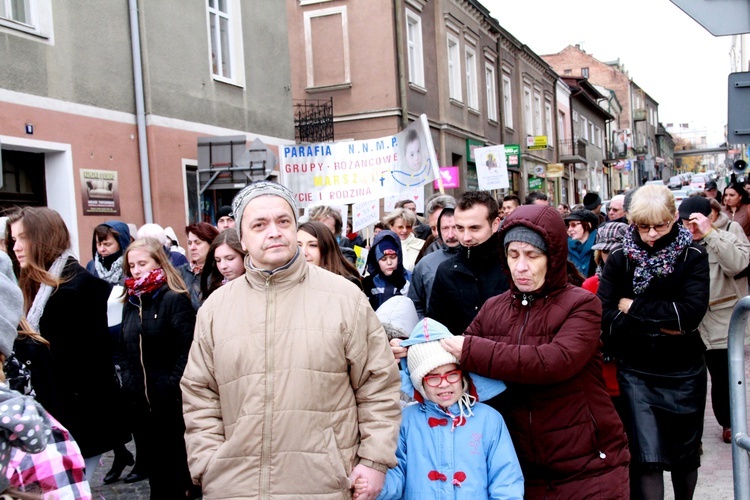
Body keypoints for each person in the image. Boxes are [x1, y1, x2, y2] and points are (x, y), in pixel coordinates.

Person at [180, 181, 401, 499]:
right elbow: (199, 394)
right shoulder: (216, 308)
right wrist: (209, 464)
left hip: (323, 485)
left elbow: (378, 385)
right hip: (236, 487)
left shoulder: (344, 298)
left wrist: (374, 462)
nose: (274, 231)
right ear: (241, 238)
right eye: (259, 224)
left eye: (283, 221)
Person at [440, 204, 630, 499]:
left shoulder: (582, 304)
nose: (521, 266)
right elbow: (458, 354)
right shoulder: (494, 308)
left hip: (588, 464)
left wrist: (471, 350)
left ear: (552, 258)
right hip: (521, 467)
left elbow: (553, 362)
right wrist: (416, 348)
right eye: (513, 255)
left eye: (532, 255)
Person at [598, 184, 709, 500]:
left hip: (685, 369)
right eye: (642, 226)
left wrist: (632, 306)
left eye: (659, 225)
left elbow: (689, 315)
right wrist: (661, 322)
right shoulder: (621, 256)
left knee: (685, 456)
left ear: (675, 217)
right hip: (637, 369)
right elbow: (605, 313)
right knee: (647, 458)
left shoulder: (693, 255)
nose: (650, 235)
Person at [6, 206, 122, 482]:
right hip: (51, 416)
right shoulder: (33, 283)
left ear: (44, 239)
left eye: (23, 239)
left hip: (79, 419)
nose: (17, 248)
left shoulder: (78, 288)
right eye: (13, 241)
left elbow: (82, 366)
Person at [373, 318, 524, 500]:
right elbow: (395, 477)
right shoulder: (406, 420)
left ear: (462, 376)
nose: (444, 384)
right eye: (433, 378)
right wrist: (373, 488)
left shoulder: (489, 419)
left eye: (451, 375)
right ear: (420, 383)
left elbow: (506, 480)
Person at [120, 238, 197, 499]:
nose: (137, 270)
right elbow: (126, 346)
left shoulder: (174, 298)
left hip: (171, 400)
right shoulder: (131, 301)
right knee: (155, 472)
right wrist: (129, 382)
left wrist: (171, 384)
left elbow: (187, 349)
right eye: (132, 265)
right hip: (142, 401)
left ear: (158, 262)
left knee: (175, 470)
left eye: (143, 263)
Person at [680, 196, 750, 445]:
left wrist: (710, 234)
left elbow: (738, 264)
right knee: (691, 381)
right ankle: (691, 435)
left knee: (723, 378)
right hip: (692, 322)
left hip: (722, 319)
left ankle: (729, 423)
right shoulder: (681, 237)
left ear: (708, 216)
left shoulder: (730, 230)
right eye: (685, 224)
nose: (691, 229)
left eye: (694, 223)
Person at [426, 190, 509, 335]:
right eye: (460, 228)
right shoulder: (446, 271)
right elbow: (434, 328)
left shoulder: (512, 267)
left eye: (474, 228)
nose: (466, 237)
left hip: (505, 355)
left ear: (495, 224)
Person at [407, 205, 459, 318]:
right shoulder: (425, 264)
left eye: (455, 227)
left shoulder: (476, 259)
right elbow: (415, 304)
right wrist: (426, 328)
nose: (450, 235)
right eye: (445, 228)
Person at [298, 221, 362, 288]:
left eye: (313, 245)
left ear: (327, 247)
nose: (303, 252)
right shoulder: (290, 280)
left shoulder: (347, 284)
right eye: (298, 245)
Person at [363, 230, 412, 310]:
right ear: (377, 261)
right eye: (383, 259)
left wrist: (404, 286)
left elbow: (416, 307)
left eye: (393, 257)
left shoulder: (410, 278)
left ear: (399, 257)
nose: (389, 263)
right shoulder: (372, 282)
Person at [178, 222, 219, 310]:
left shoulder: (219, 272)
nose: (192, 247)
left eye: (198, 243)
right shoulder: (180, 272)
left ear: (211, 244)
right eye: (189, 243)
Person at [199, 229, 247, 300]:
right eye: (218, 260)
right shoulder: (214, 289)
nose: (223, 266)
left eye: (230, 258)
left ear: (244, 255)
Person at [564, 209, 599, 278]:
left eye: (573, 225)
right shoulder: (566, 246)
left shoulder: (599, 246)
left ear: (588, 225)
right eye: (568, 226)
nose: (569, 229)